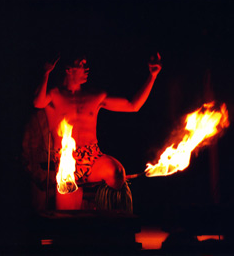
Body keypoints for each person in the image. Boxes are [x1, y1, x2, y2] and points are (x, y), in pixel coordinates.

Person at [28, 52, 162, 212]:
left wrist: (152, 77)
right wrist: (46, 73)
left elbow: (133, 106)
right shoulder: (54, 95)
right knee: (67, 218)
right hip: (67, 162)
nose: (87, 68)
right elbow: (37, 102)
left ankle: (111, 223)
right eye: (81, 64)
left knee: (117, 173)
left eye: (86, 64)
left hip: (93, 157)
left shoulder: (94, 96)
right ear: (68, 69)